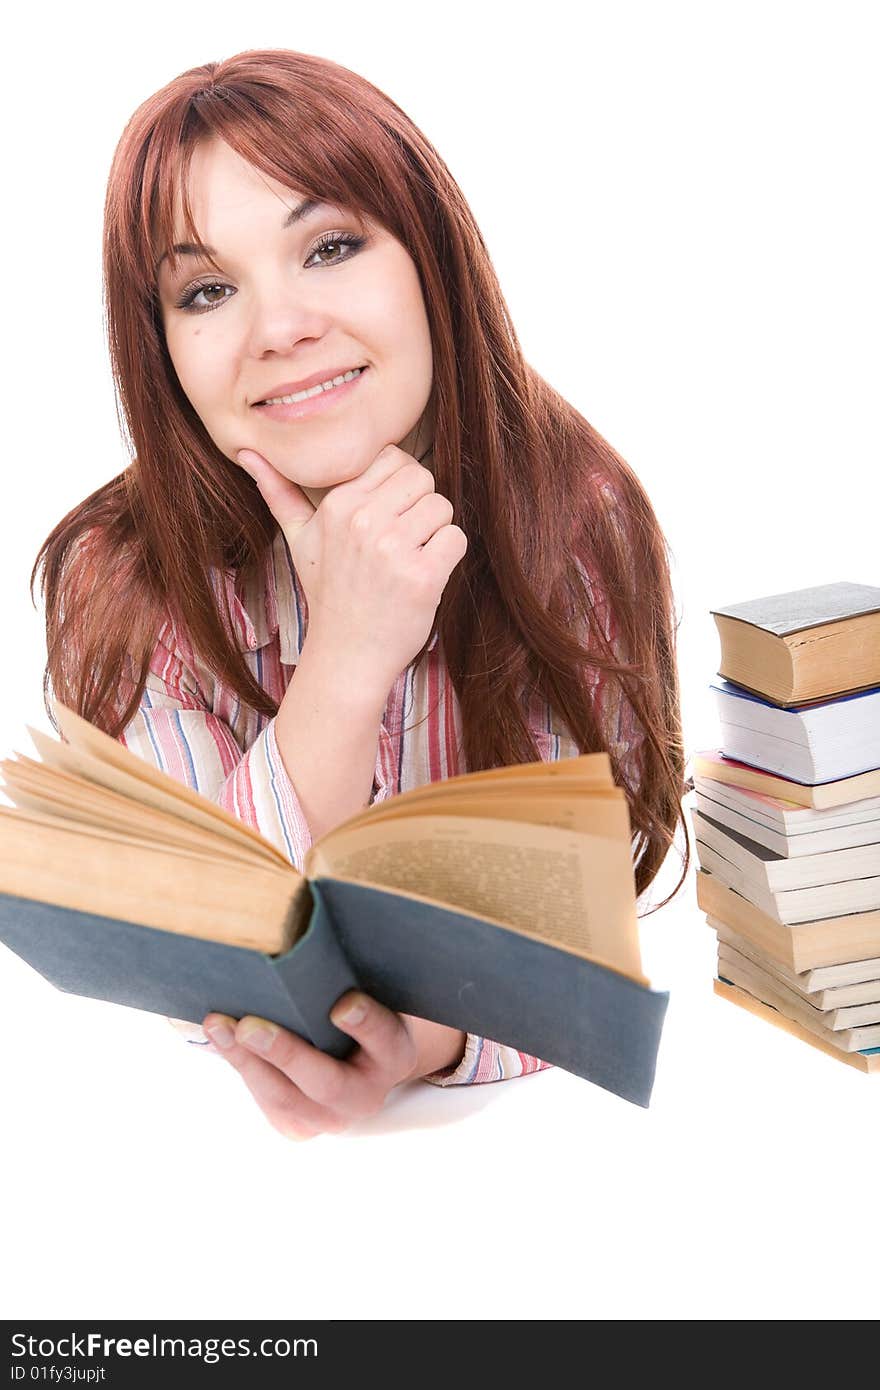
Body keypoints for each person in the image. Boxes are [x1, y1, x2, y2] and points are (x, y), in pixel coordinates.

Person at [31, 49, 689, 1140]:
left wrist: (418, 1042)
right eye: (207, 290)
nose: (279, 327)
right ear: (164, 352)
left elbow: (578, 922)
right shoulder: (124, 574)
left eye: (329, 246)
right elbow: (192, 941)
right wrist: (343, 661)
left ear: (429, 258)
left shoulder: (576, 517)